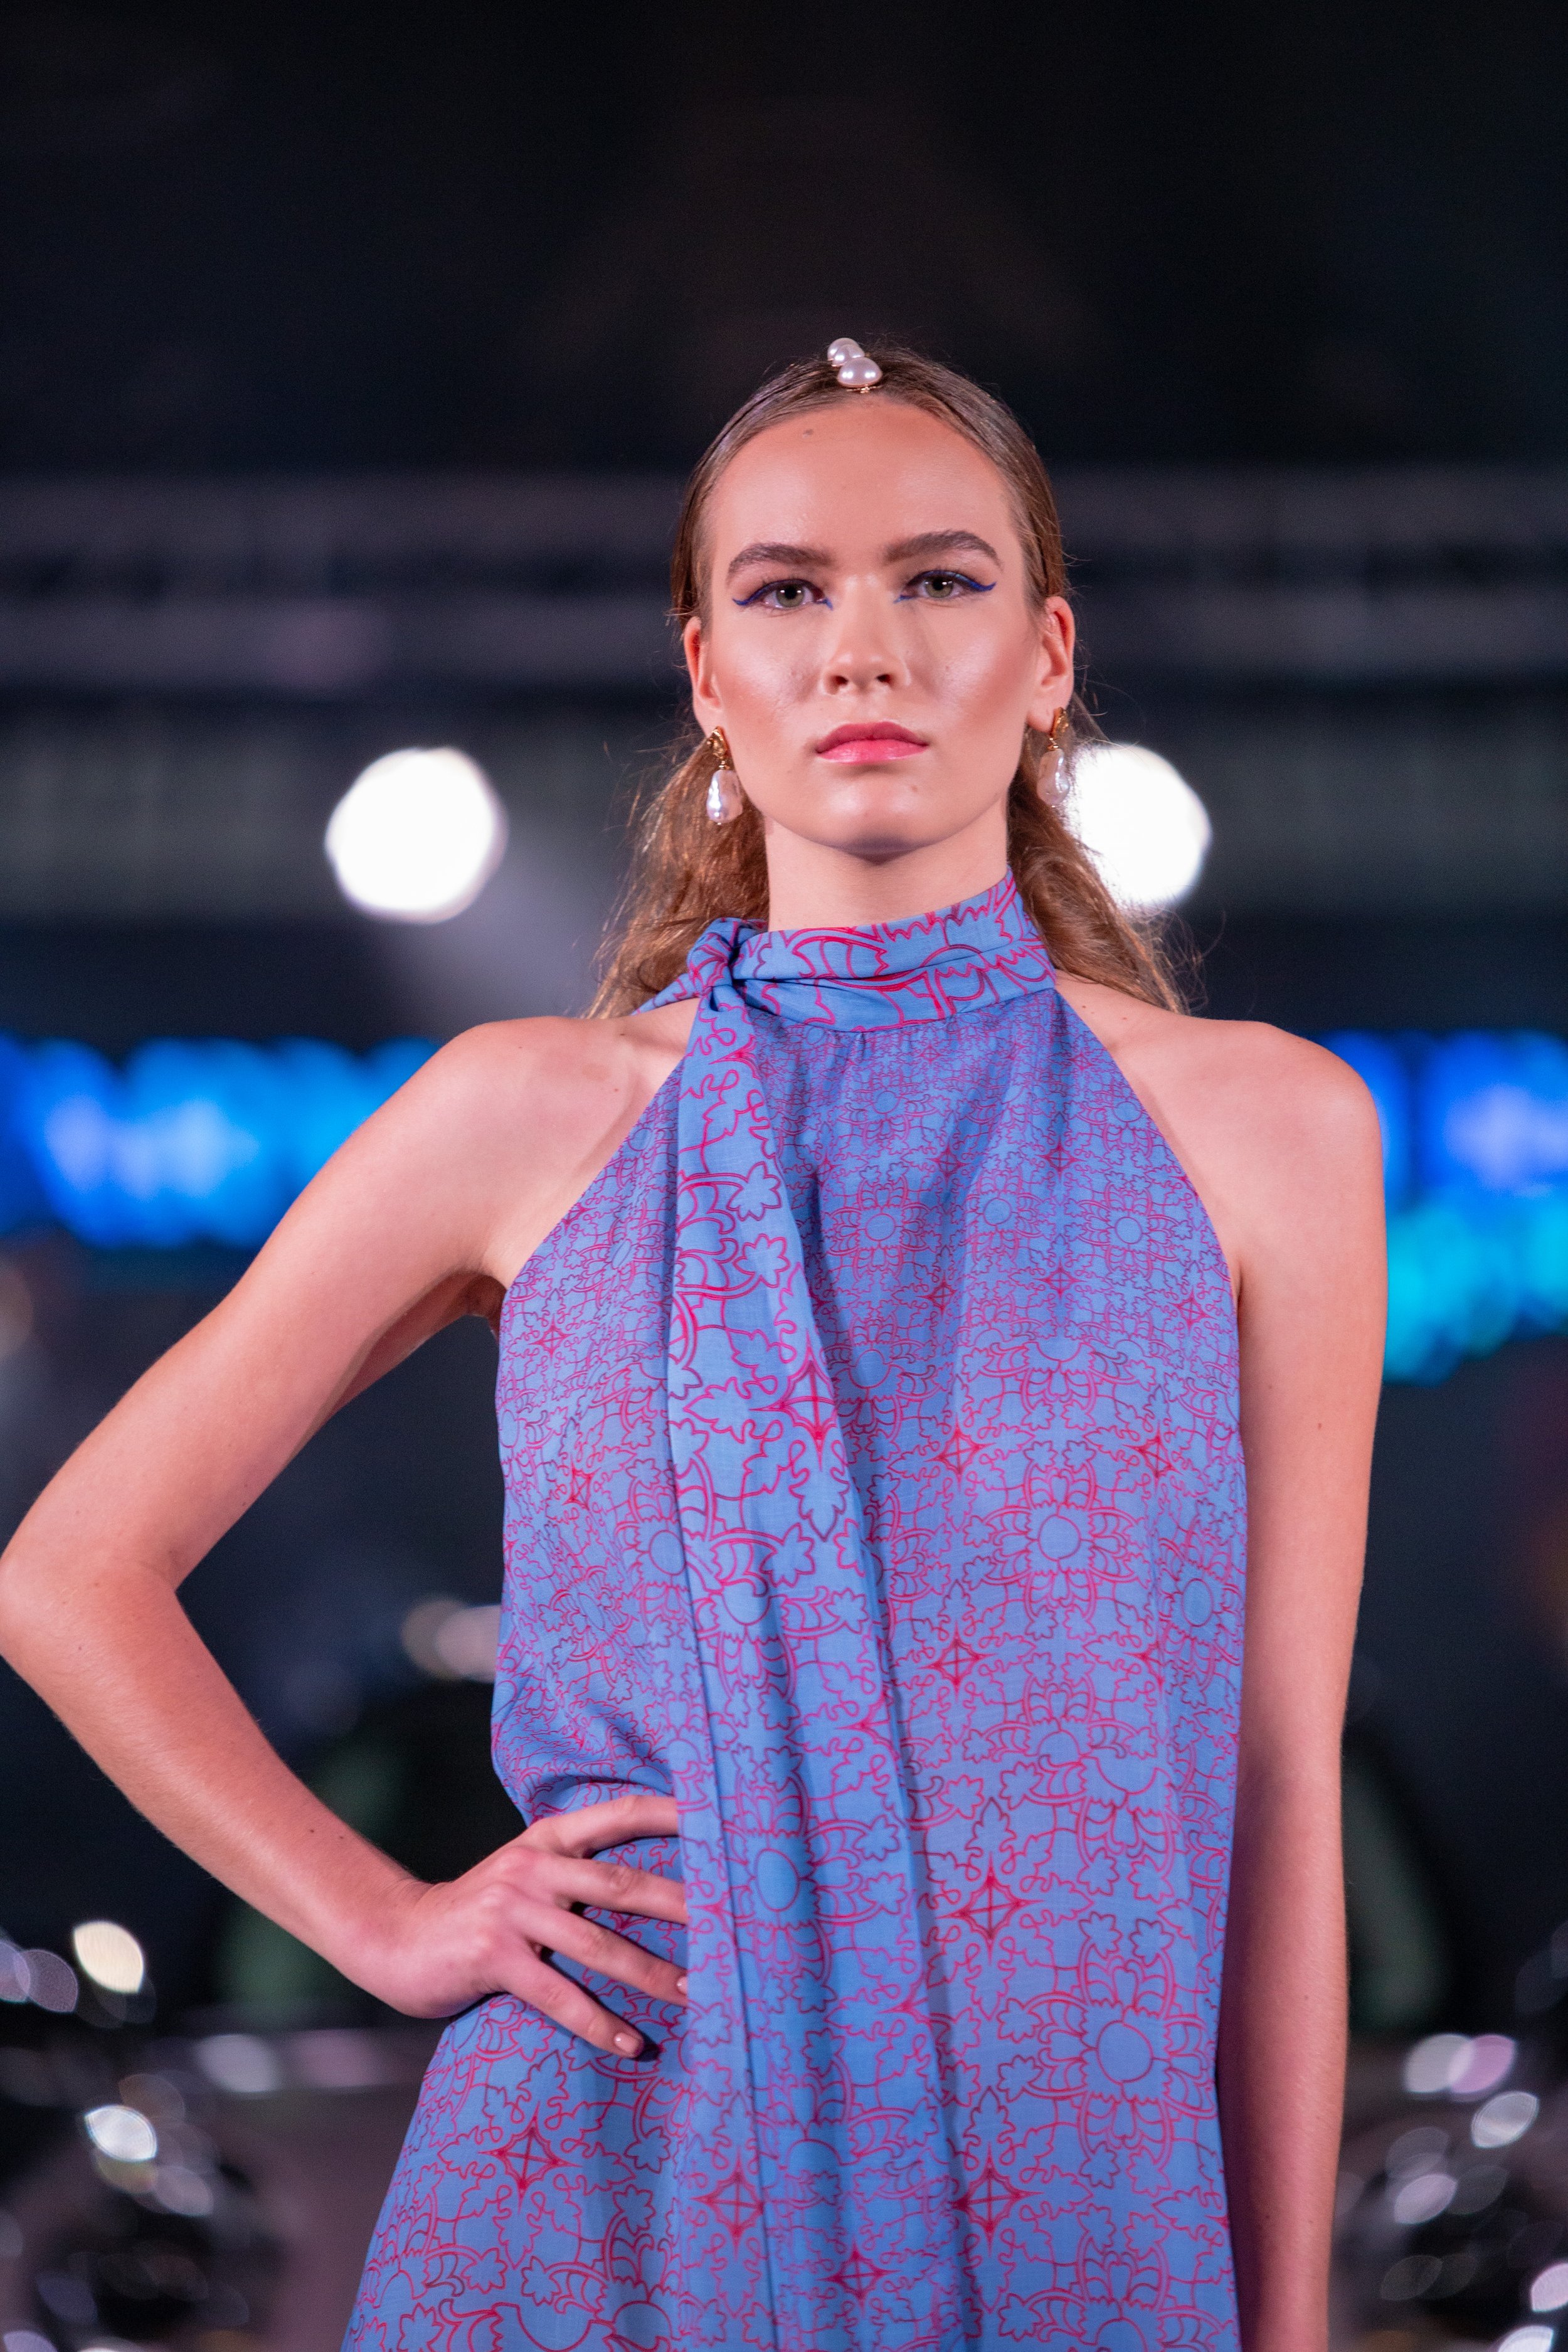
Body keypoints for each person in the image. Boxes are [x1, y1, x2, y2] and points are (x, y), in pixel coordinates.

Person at [0, 342, 1384, 2352]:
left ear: (1048, 656)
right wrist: (388, 1923)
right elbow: (67, 1570)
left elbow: (1270, 1792)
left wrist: (1288, 2330)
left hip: (1079, 2217)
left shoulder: (1267, 1133)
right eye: (785, 590)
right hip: (609, 2200)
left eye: (938, 579)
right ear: (708, 675)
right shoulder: (528, 1117)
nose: (861, 649)